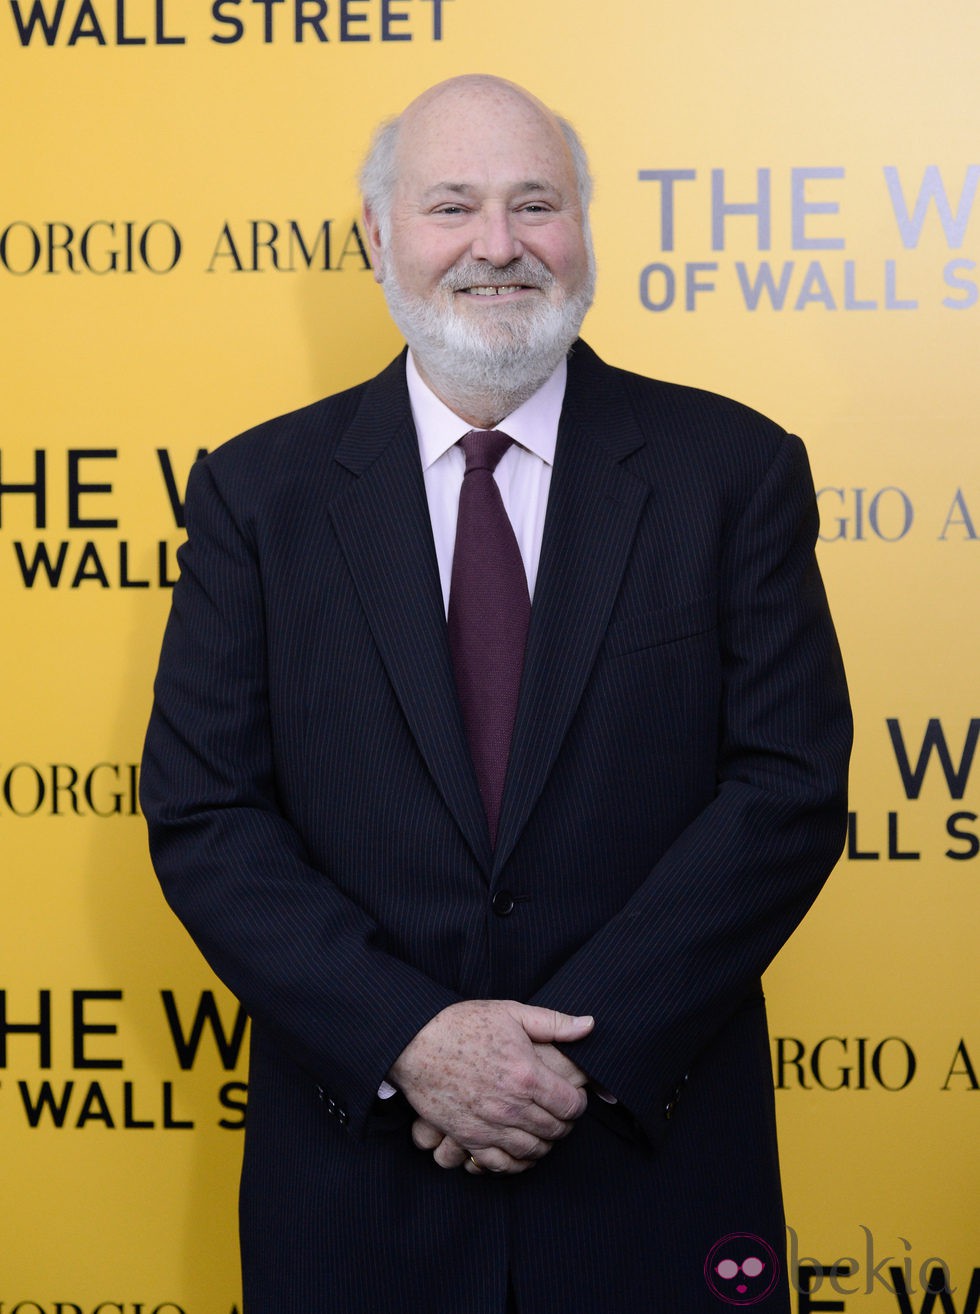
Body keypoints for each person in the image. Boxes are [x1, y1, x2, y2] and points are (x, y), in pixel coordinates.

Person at [141, 74, 852, 1313]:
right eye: (451, 206)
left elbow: (785, 790)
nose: (497, 245)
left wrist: (573, 1061)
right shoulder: (258, 496)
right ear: (377, 237)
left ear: (582, 227)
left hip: (650, 1162)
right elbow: (208, 818)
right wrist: (413, 1042)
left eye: (536, 204)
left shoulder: (732, 471)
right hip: (359, 1185)